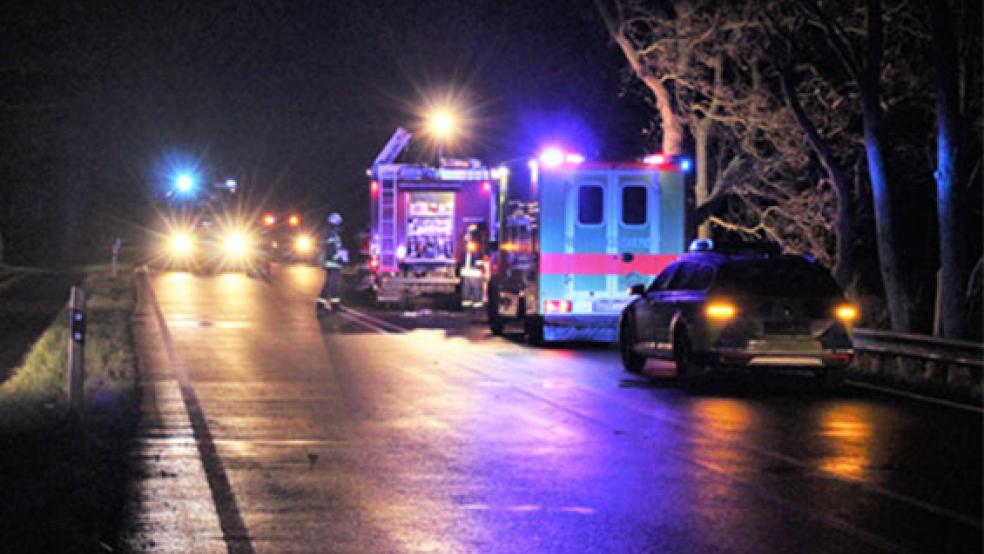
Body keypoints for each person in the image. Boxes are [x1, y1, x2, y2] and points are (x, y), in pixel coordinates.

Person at [317, 213, 347, 312]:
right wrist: (339, 259)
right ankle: (321, 305)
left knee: (335, 285)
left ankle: (335, 305)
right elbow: (331, 250)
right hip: (332, 263)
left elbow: (336, 249)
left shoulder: (333, 234)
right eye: (338, 224)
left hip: (334, 263)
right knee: (329, 284)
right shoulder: (330, 234)